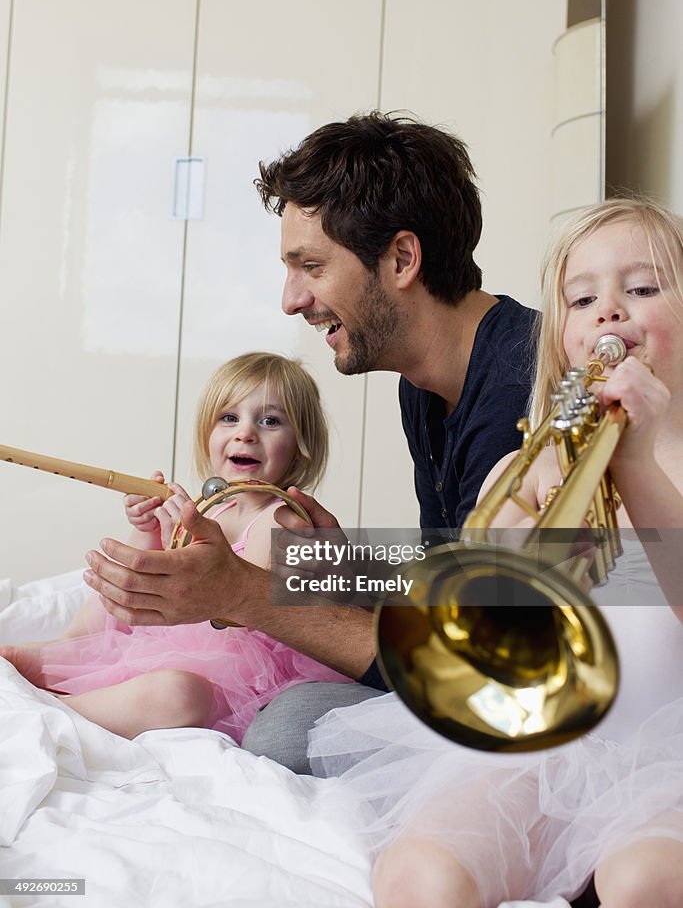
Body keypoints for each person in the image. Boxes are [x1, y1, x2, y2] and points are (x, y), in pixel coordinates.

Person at [81, 112, 537, 770]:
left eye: (311, 266)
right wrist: (340, 571)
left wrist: (242, 593)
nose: (291, 300)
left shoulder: (523, 389)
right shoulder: (425, 383)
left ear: (401, 259)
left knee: (286, 732)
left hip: (534, 684)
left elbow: (478, 664)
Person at [308, 196, 683, 908]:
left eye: (641, 288)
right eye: (581, 298)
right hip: (552, 749)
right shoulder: (530, 468)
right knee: (421, 873)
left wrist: (633, 462)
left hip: (670, 759)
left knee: (643, 882)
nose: (608, 311)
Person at [0, 352, 352, 741]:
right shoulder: (213, 508)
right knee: (116, 588)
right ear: (207, 433)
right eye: (229, 418)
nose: (246, 433)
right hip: (167, 643)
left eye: (270, 421)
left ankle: (51, 712)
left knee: (178, 694)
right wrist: (150, 529)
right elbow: (145, 581)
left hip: (234, 676)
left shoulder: (284, 517)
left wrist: (181, 547)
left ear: (301, 445)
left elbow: (232, 609)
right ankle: (62, 649)